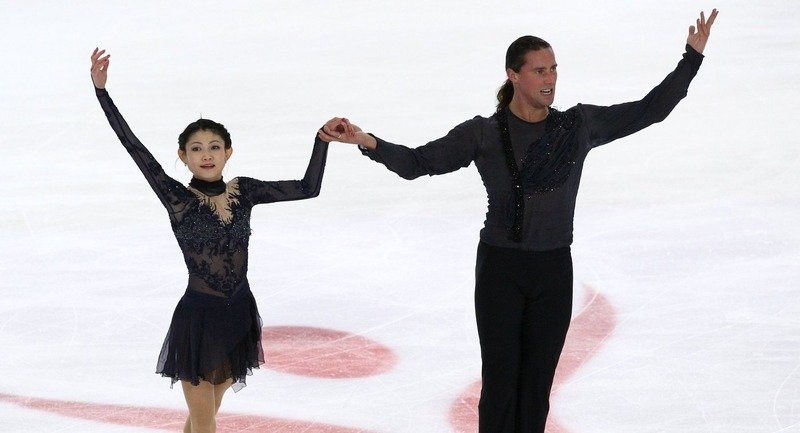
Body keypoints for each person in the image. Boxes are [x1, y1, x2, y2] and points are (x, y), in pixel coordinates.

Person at [318, 9, 718, 433]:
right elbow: (419, 163)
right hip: (501, 271)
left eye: (554, 69)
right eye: (539, 70)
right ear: (513, 75)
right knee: (500, 385)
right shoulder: (483, 133)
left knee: (536, 390)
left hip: (553, 270)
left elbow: (649, 110)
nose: (550, 79)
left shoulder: (577, 126)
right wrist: (365, 140)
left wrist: (691, 58)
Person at [90, 48, 330, 433]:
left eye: (214, 147)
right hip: (198, 322)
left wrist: (322, 140)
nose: (206, 155)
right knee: (205, 425)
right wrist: (102, 92)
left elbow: (308, 187)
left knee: (203, 419)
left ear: (228, 152)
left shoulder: (244, 190)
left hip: (239, 316)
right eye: (196, 149)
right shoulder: (178, 199)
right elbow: (133, 147)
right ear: (183, 156)